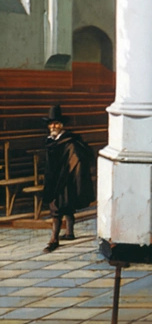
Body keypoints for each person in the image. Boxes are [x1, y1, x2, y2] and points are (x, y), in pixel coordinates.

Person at [40, 105, 95, 253]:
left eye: (56, 123)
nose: (53, 126)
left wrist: (69, 173)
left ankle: (54, 239)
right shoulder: (51, 140)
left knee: (57, 207)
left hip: (66, 178)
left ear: (62, 125)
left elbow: (76, 158)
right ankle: (69, 233)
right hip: (54, 177)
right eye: (51, 123)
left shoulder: (70, 141)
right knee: (66, 206)